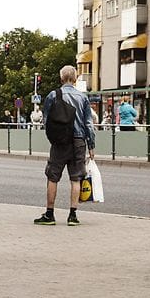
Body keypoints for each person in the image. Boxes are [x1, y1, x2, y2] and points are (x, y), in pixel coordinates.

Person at [35, 66, 95, 226]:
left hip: (60, 141)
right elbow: (88, 123)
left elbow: (46, 121)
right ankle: (73, 215)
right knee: (75, 178)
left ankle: (49, 214)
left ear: (61, 79)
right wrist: (91, 145)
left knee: (53, 177)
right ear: (75, 79)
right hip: (78, 141)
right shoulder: (83, 98)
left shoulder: (53, 95)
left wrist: (53, 139)